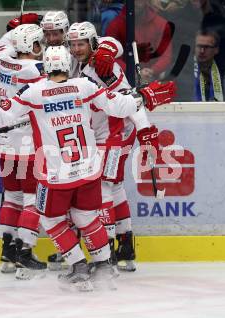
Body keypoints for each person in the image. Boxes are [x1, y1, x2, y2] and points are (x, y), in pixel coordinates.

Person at [0, 46, 176, 290]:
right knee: (86, 216)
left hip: (55, 175)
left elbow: (3, 117)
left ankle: (79, 267)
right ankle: (103, 266)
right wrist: (144, 97)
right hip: (89, 170)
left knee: (50, 220)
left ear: (46, 66)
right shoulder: (85, 86)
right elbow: (122, 107)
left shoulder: (34, 92)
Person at [67, 21, 160, 271]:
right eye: (73, 44)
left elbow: (133, 102)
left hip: (112, 137)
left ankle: (105, 255)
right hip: (101, 136)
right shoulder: (78, 62)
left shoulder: (105, 68)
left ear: (92, 43)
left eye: (81, 43)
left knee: (103, 188)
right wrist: (110, 46)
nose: (76, 49)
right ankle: (126, 247)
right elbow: (113, 43)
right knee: (115, 186)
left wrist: (145, 130)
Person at [0, 23, 47, 279]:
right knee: (32, 200)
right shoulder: (36, 68)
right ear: (30, 46)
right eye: (38, 43)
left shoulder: (2, 58)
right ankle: (25, 252)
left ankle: (7, 252)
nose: (42, 48)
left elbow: (0, 44)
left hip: (4, 143)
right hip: (28, 146)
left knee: (11, 197)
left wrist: (17, 27)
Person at [106, 0, 173, 82]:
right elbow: (110, 55)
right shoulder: (115, 25)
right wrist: (133, 72)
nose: (135, 3)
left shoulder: (161, 24)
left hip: (153, 79)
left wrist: (152, 71)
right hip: (123, 80)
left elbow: (166, 55)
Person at [194, 29, 223, 101]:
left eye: (207, 47)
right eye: (199, 46)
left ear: (216, 49)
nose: (202, 51)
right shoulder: (182, 71)